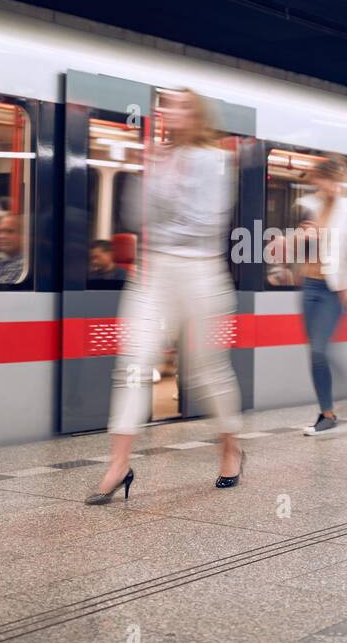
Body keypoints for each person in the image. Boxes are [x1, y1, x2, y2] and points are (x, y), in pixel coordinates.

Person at [87, 88, 243, 503]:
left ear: (197, 115)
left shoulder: (218, 161)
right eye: (166, 105)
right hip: (154, 272)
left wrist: (167, 187)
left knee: (205, 372)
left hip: (200, 271)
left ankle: (230, 446)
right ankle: (119, 465)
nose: (167, 111)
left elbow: (206, 222)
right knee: (133, 365)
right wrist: (154, 176)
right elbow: (135, 216)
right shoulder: (157, 158)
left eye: (178, 105)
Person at [295, 153, 347, 436]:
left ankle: (338, 400)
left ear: (335, 181)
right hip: (309, 285)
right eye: (318, 182)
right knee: (314, 353)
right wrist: (299, 239)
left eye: (325, 182)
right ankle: (326, 413)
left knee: (319, 349)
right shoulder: (308, 205)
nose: (321, 188)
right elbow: (298, 243)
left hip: (334, 289)